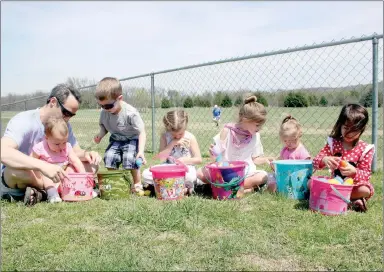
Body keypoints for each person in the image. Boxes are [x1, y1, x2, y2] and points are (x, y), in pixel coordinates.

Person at [1, 84, 101, 206]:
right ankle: (52, 190)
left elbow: (74, 153)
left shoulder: (63, 123)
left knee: (91, 165)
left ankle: (43, 193)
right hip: (31, 174)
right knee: (14, 172)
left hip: (56, 174)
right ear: (53, 102)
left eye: (72, 115)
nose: (68, 118)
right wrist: (43, 166)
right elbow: (3, 151)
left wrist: (87, 155)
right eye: (66, 112)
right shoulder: (24, 120)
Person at [197, 96, 270, 193]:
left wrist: (266, 160)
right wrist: (214, 154)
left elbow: (255, 159)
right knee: (199, 173)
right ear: (245, 119)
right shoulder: (227, 131)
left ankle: (222, 187)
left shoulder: (255, 136)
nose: (260, 128)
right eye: (257, 125)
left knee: (263, 176)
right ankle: (242, 188)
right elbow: (217, 157)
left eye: (261, 125)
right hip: (225, 171)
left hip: (245, 173)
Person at [310, 104, 375, 212]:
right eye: (345, 127)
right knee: (310, 183)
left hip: (353, 187)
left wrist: (354, 172)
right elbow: (315, 162)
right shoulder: (333, 143)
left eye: (353, 129)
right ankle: (352, 202)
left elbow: (366, 175)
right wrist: (324, 160)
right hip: (334, 183)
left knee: (365, 190)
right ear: (340, 125)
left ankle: (337, 198)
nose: (348, 133)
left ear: (362, 128)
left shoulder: (365, 149)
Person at [93, 77, 147, 194]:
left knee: (130, 157)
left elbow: (141, 131)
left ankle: (137, 183)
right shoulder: (105, 112)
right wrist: (100, 135)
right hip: (116, 139)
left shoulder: (130, 113)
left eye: (108, 106)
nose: (105, 109)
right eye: (102, 106)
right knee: (109, 156)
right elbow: (104, 127)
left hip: (131, 139)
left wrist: (141, 151)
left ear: (120, 98)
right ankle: (116, 180)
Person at [142, 109, 202, 195]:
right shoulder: (165, 136)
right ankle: (181, 188)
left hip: (185, 168)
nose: (177, 136)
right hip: (168, 167)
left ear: (185, 127)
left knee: (190, 176)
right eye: (173, 134)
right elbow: (162, 157)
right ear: (168, 129)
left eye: (180, 134)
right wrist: (173, 142)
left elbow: (199, 159)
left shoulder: (190, 137)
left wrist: (184, 160)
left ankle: (166, 186)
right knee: (145, 174)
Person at [31, 116, 86, 203]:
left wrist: (83, 176)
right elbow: (31, 162)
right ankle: (52, 194)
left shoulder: (67, 147)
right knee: (46, 176)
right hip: (47, 179)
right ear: (46, 138)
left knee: (71, 168)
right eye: (57, 144)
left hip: (64, 179)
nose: (61, 146)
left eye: (64, 142)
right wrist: (38, 177)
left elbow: (76, 161)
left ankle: (80, 189)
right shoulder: (40, 148)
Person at [267, 115, 311, 192]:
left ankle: (279, 188)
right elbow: (280, 163)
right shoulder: (285, 150)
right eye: (285, 141)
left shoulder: (301, 151)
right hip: (284, 175)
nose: (288, 144)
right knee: (269, 175)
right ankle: (275, 187)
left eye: (292, 140)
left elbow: (308, 169)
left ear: (299, 136)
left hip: (297, 177)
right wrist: (274, 165)